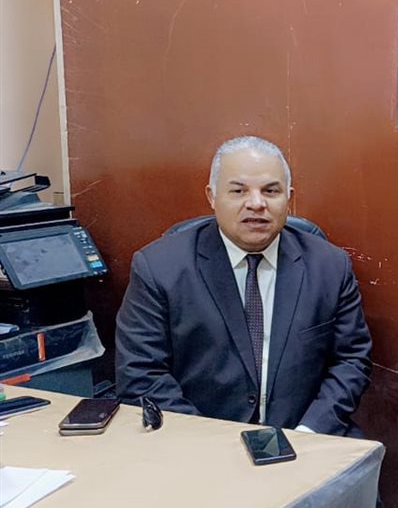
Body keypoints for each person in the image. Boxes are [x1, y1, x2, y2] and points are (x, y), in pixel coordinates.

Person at [116, 136, 372, 436]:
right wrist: (212, 442)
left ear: (288, 198)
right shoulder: (159, 268)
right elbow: (141, 373)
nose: (256, 203)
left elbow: (351, 360)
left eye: (270, 191)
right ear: (212, 196)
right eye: (238, 191)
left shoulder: (329, 266)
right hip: (199, 441)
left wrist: (309, 431)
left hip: (304, 435)